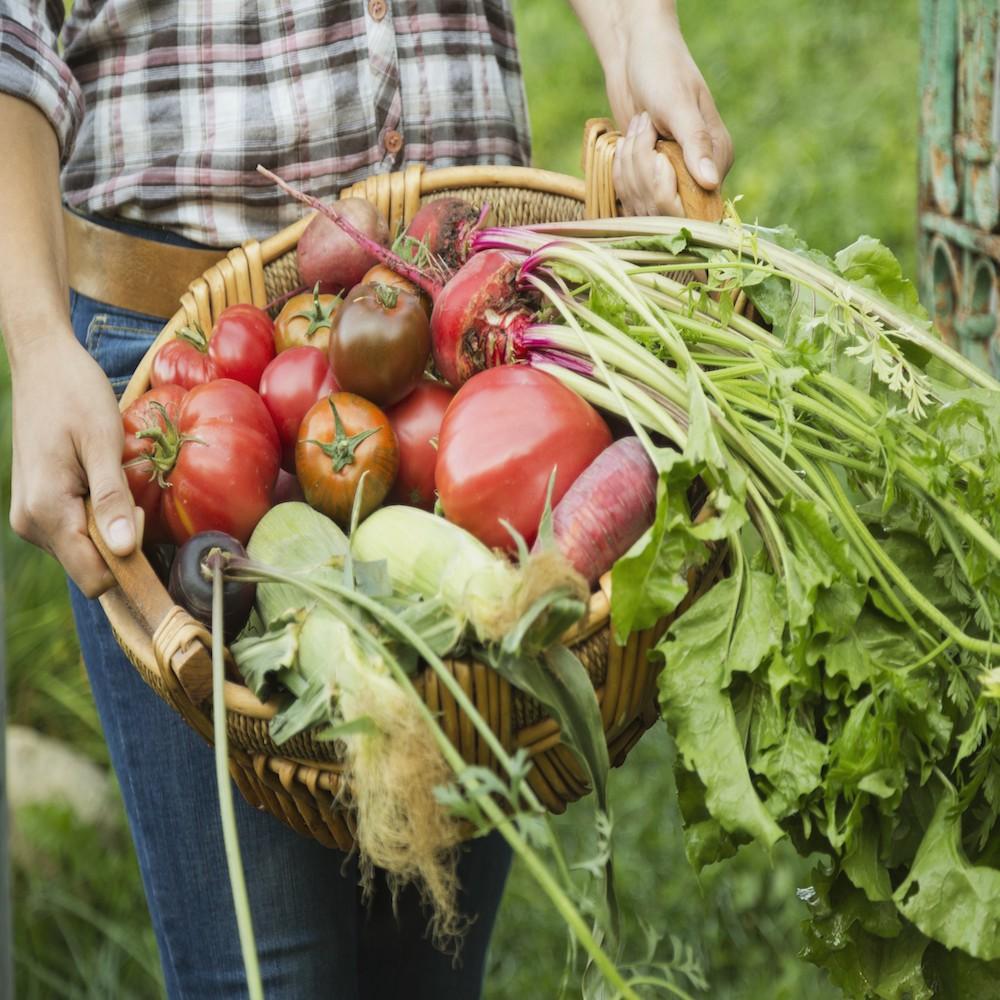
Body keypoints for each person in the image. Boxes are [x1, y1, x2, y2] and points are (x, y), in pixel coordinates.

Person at [0, 1, 731, 996]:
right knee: (268, 980)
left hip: (471, 323)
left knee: (426, 973)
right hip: (182, 367)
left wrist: (636, 32)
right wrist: (40, 340)